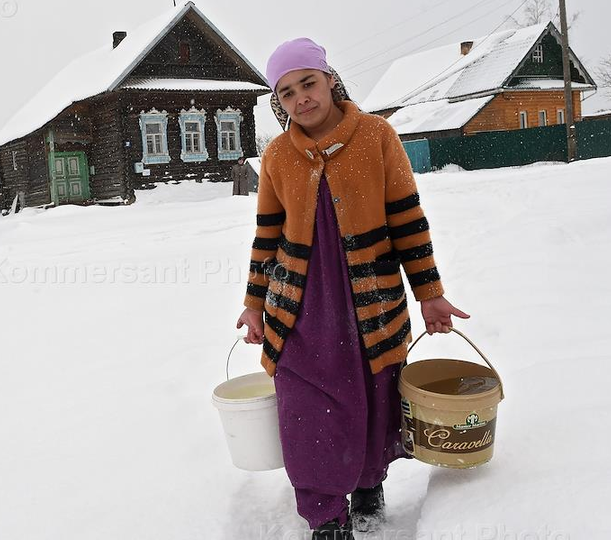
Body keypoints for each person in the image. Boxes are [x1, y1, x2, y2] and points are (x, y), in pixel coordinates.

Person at [234, 38, 469, 540]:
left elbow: (408, 220)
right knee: (305, 411)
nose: (302, 98)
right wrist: (255, 305)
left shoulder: (376, 136)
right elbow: (267, 236)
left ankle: (366, 484)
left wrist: (430, 292)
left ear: (330, 79)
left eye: (308, 83)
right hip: (299, 310)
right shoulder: (277, 155)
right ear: (280, 102)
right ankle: (324, 514)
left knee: (370, 396)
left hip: (371, 302)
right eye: (287, 92)